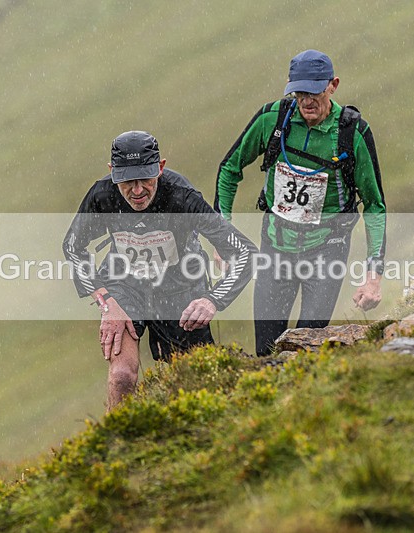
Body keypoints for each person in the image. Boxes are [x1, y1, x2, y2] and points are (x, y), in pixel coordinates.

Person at [64, 131, 256, 409]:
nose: (138, 190)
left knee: (193, 379)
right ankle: (117, 443)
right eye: (127, 181)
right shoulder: (102, 195)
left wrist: (212, 299)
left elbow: (246, 253)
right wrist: (107, 303)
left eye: (146, 179)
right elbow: (72, 246)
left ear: (161, 168)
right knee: (121, 376)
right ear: (112, 173)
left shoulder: (182, 197)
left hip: (181, 287)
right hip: (124, 285)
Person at [214, 49, 386, 356]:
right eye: (299, 92)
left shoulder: (352, 133)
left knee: (308, 349)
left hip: (326, 251)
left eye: (315, 91)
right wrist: (223, 236)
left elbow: (375, 206)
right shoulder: (273, 119)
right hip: (275, 248)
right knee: (266, 352)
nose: (307, 101)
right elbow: (229, 169)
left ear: (333, 85)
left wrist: (373, 278)